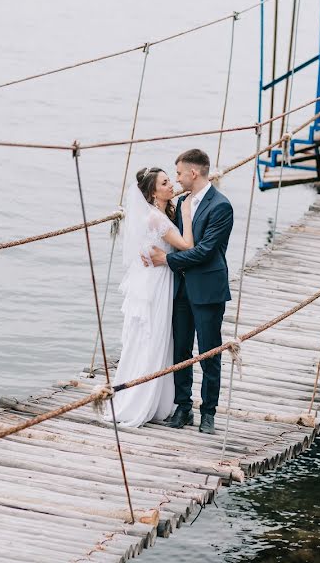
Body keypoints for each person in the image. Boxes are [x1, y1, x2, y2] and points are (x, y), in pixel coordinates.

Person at [147, 149, 233, 434]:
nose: (177, 179)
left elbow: (206, 252)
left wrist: (166, 260)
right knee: (181, 349)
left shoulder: (221, 206)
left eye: (180, 173)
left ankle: (208, 412)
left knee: (209, 352)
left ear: (193, 173)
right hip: (181, 287)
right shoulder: (181, 202)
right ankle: (183, 406)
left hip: (208, 288)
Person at [108, 167, 195, 427]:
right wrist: (188, 215)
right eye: (165, 183)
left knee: (149, 337)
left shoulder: (156, 214)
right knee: (154, 337)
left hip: (152, 279)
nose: (171, 186)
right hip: (158, 283)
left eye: (170, 181)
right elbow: (187, 246)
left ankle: (153, 397)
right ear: (152, 192)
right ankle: (144, 398)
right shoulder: (156, 219)